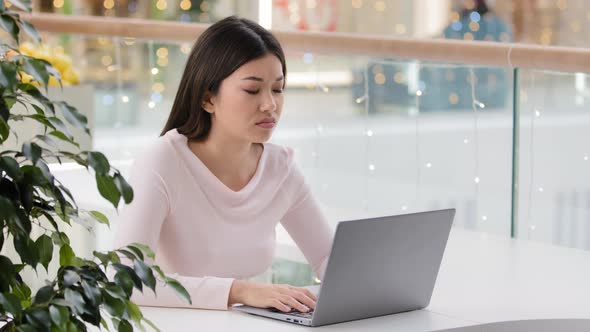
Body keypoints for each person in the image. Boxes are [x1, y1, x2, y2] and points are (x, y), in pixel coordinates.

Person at [114, 16, 334, 313]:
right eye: (252, 90)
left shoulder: (280, 167)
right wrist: (239, 291)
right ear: (207, 98)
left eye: (278, 89)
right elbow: (126, 279)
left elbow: (326, 257)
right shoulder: (163, 161)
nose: (270, 104)